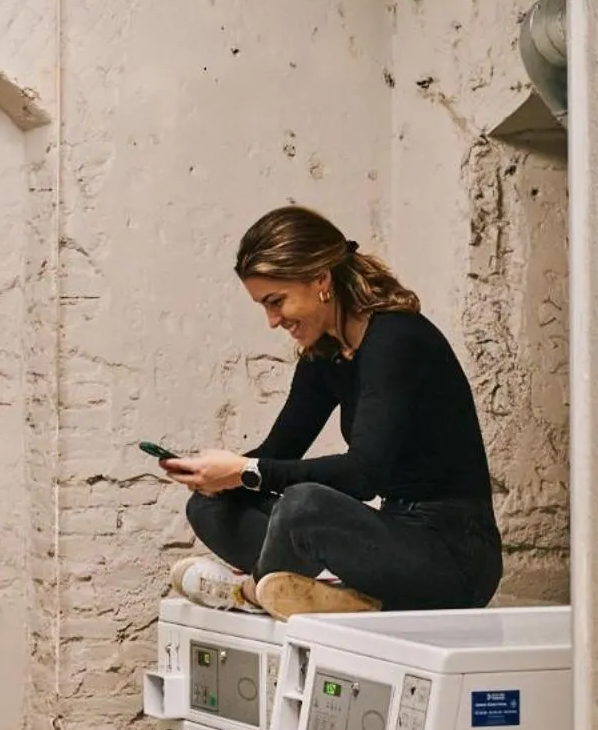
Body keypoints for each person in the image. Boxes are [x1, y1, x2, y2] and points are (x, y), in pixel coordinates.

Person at [161, 205, 502, 619]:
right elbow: (278, 452)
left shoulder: (396, 340)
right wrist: (215, 477)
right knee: (209, 506)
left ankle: (251, 592)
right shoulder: (326, 352)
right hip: (389, 537)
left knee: (303, 506)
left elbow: (362, 475)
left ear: (320, 280)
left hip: (453, 558)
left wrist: (245, 471)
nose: (272, 321)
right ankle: (329, 593)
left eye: (276, 301)